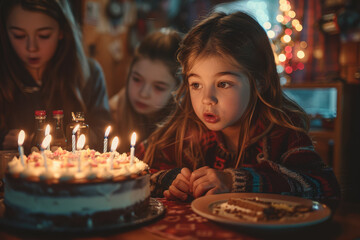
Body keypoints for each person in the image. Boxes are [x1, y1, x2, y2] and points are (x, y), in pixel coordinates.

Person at [139, 11, 340, 203]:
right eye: (196, 85)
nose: (207, 99)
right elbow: (131, 171)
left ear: (258, 81)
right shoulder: (185, 129)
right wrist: (167, 180)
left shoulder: (282, 132)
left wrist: (236, 182)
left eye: (223, 84)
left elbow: (325, 188)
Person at [0, 0, 111, 152]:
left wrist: (34, 140)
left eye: (44, 35)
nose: (31, 47)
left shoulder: (89, 74)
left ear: (62, 31)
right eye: (19, 35)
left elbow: (103, 137)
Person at [109, 28, 182, 153]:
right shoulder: (113, 112)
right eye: (137, 79)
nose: (143, 93)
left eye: (158, 87)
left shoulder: (186, 127)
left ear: (179, 89)